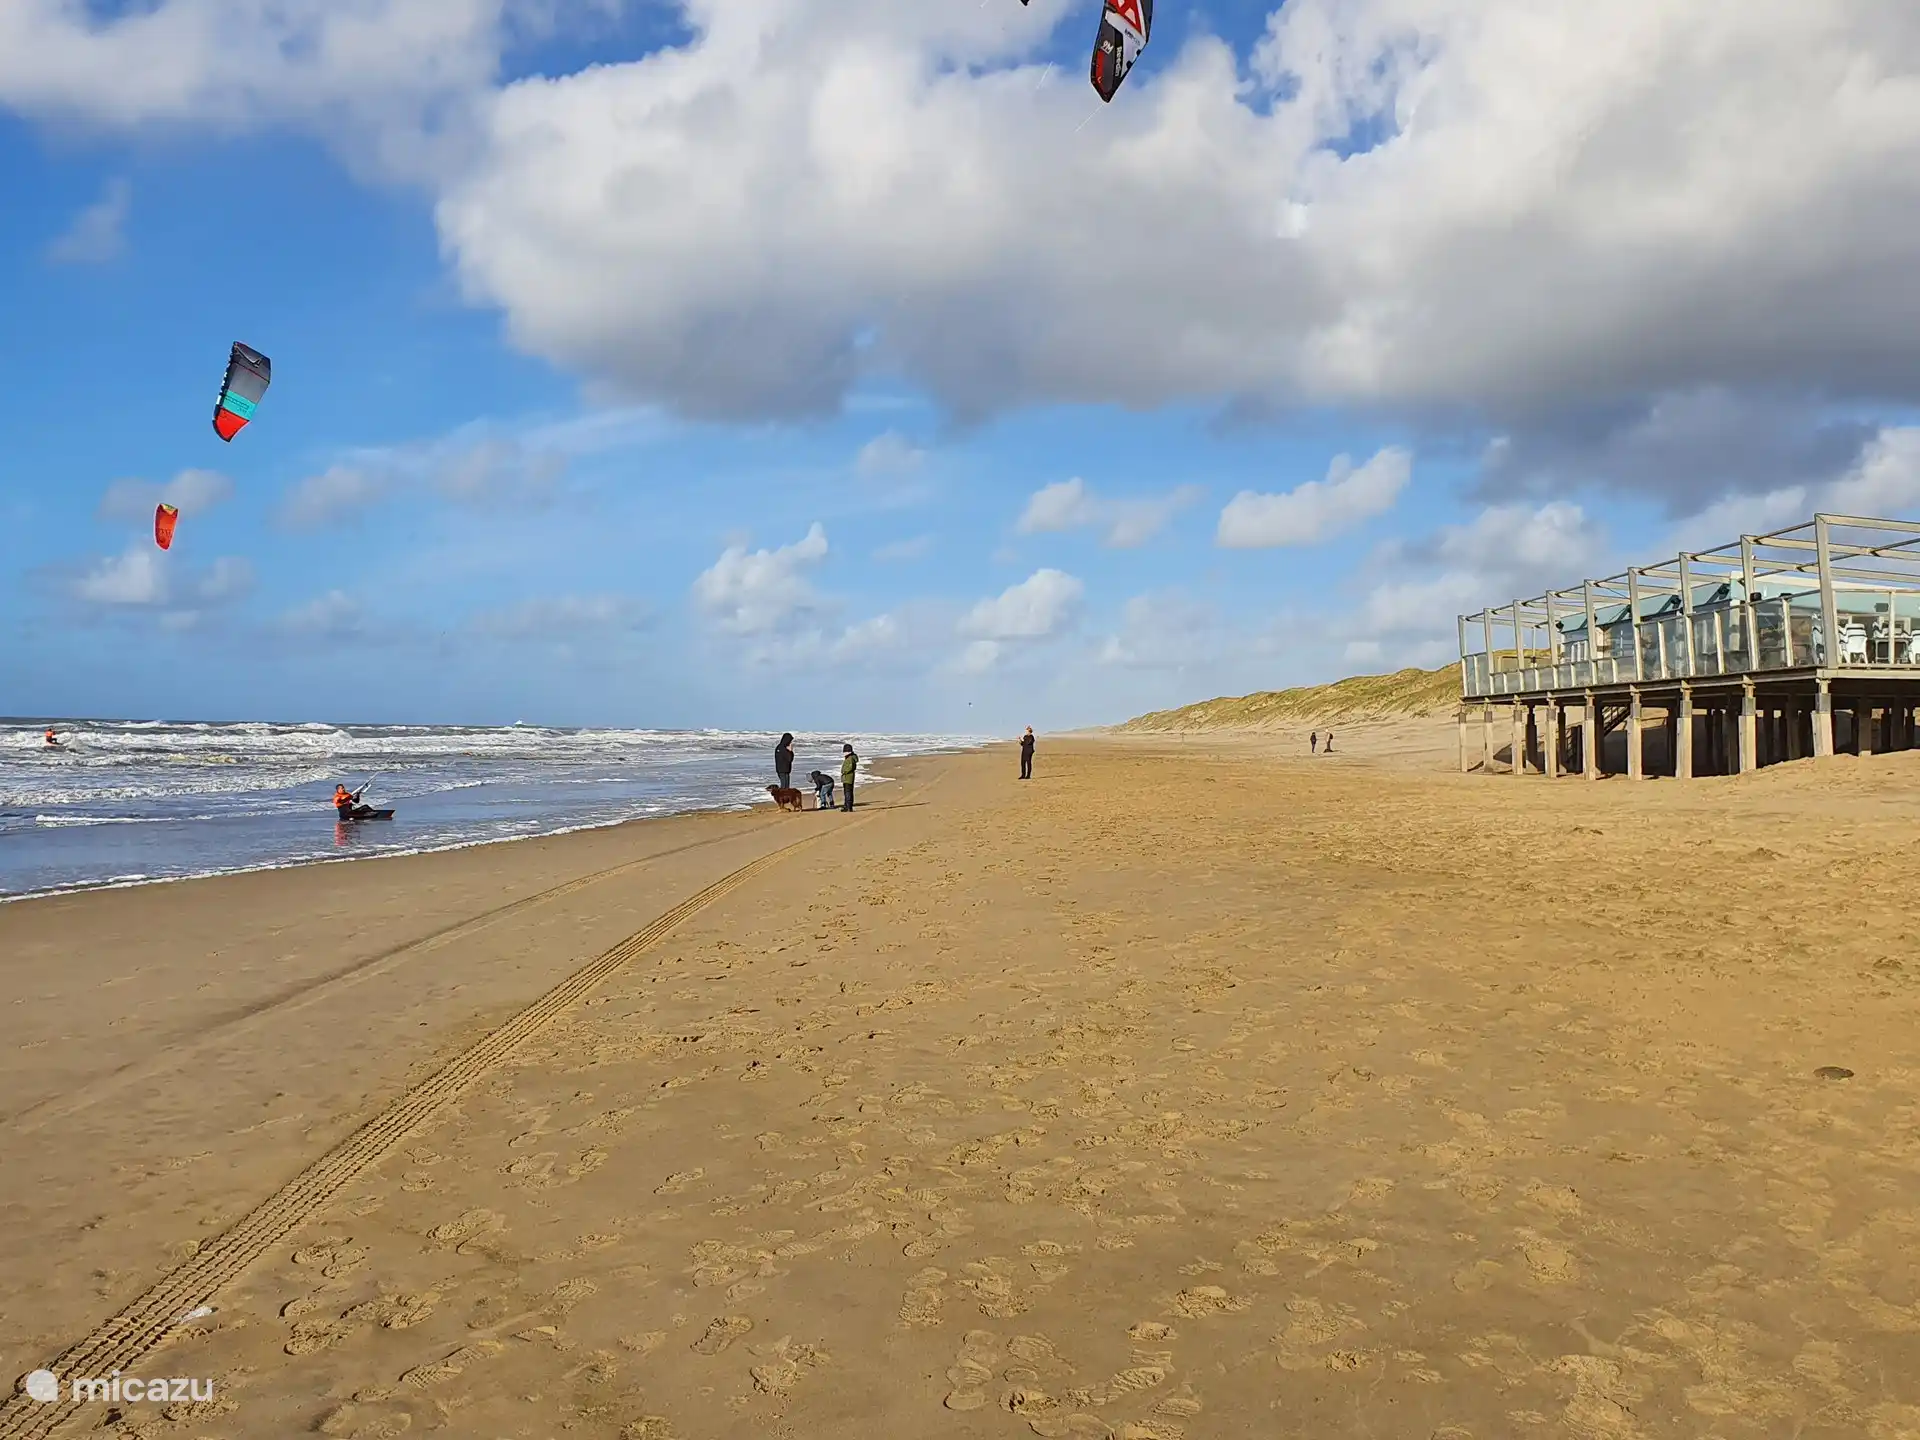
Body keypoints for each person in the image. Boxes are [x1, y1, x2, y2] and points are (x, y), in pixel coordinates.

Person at [840, 743, 858, 812]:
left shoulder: (850, 758)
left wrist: (844, 772)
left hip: (848, 777)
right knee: (848, 792)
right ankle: (847, 806)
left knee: (848, 792)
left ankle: (848, 807)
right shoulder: (850, 758)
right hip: (847, 777)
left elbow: (850, 767)